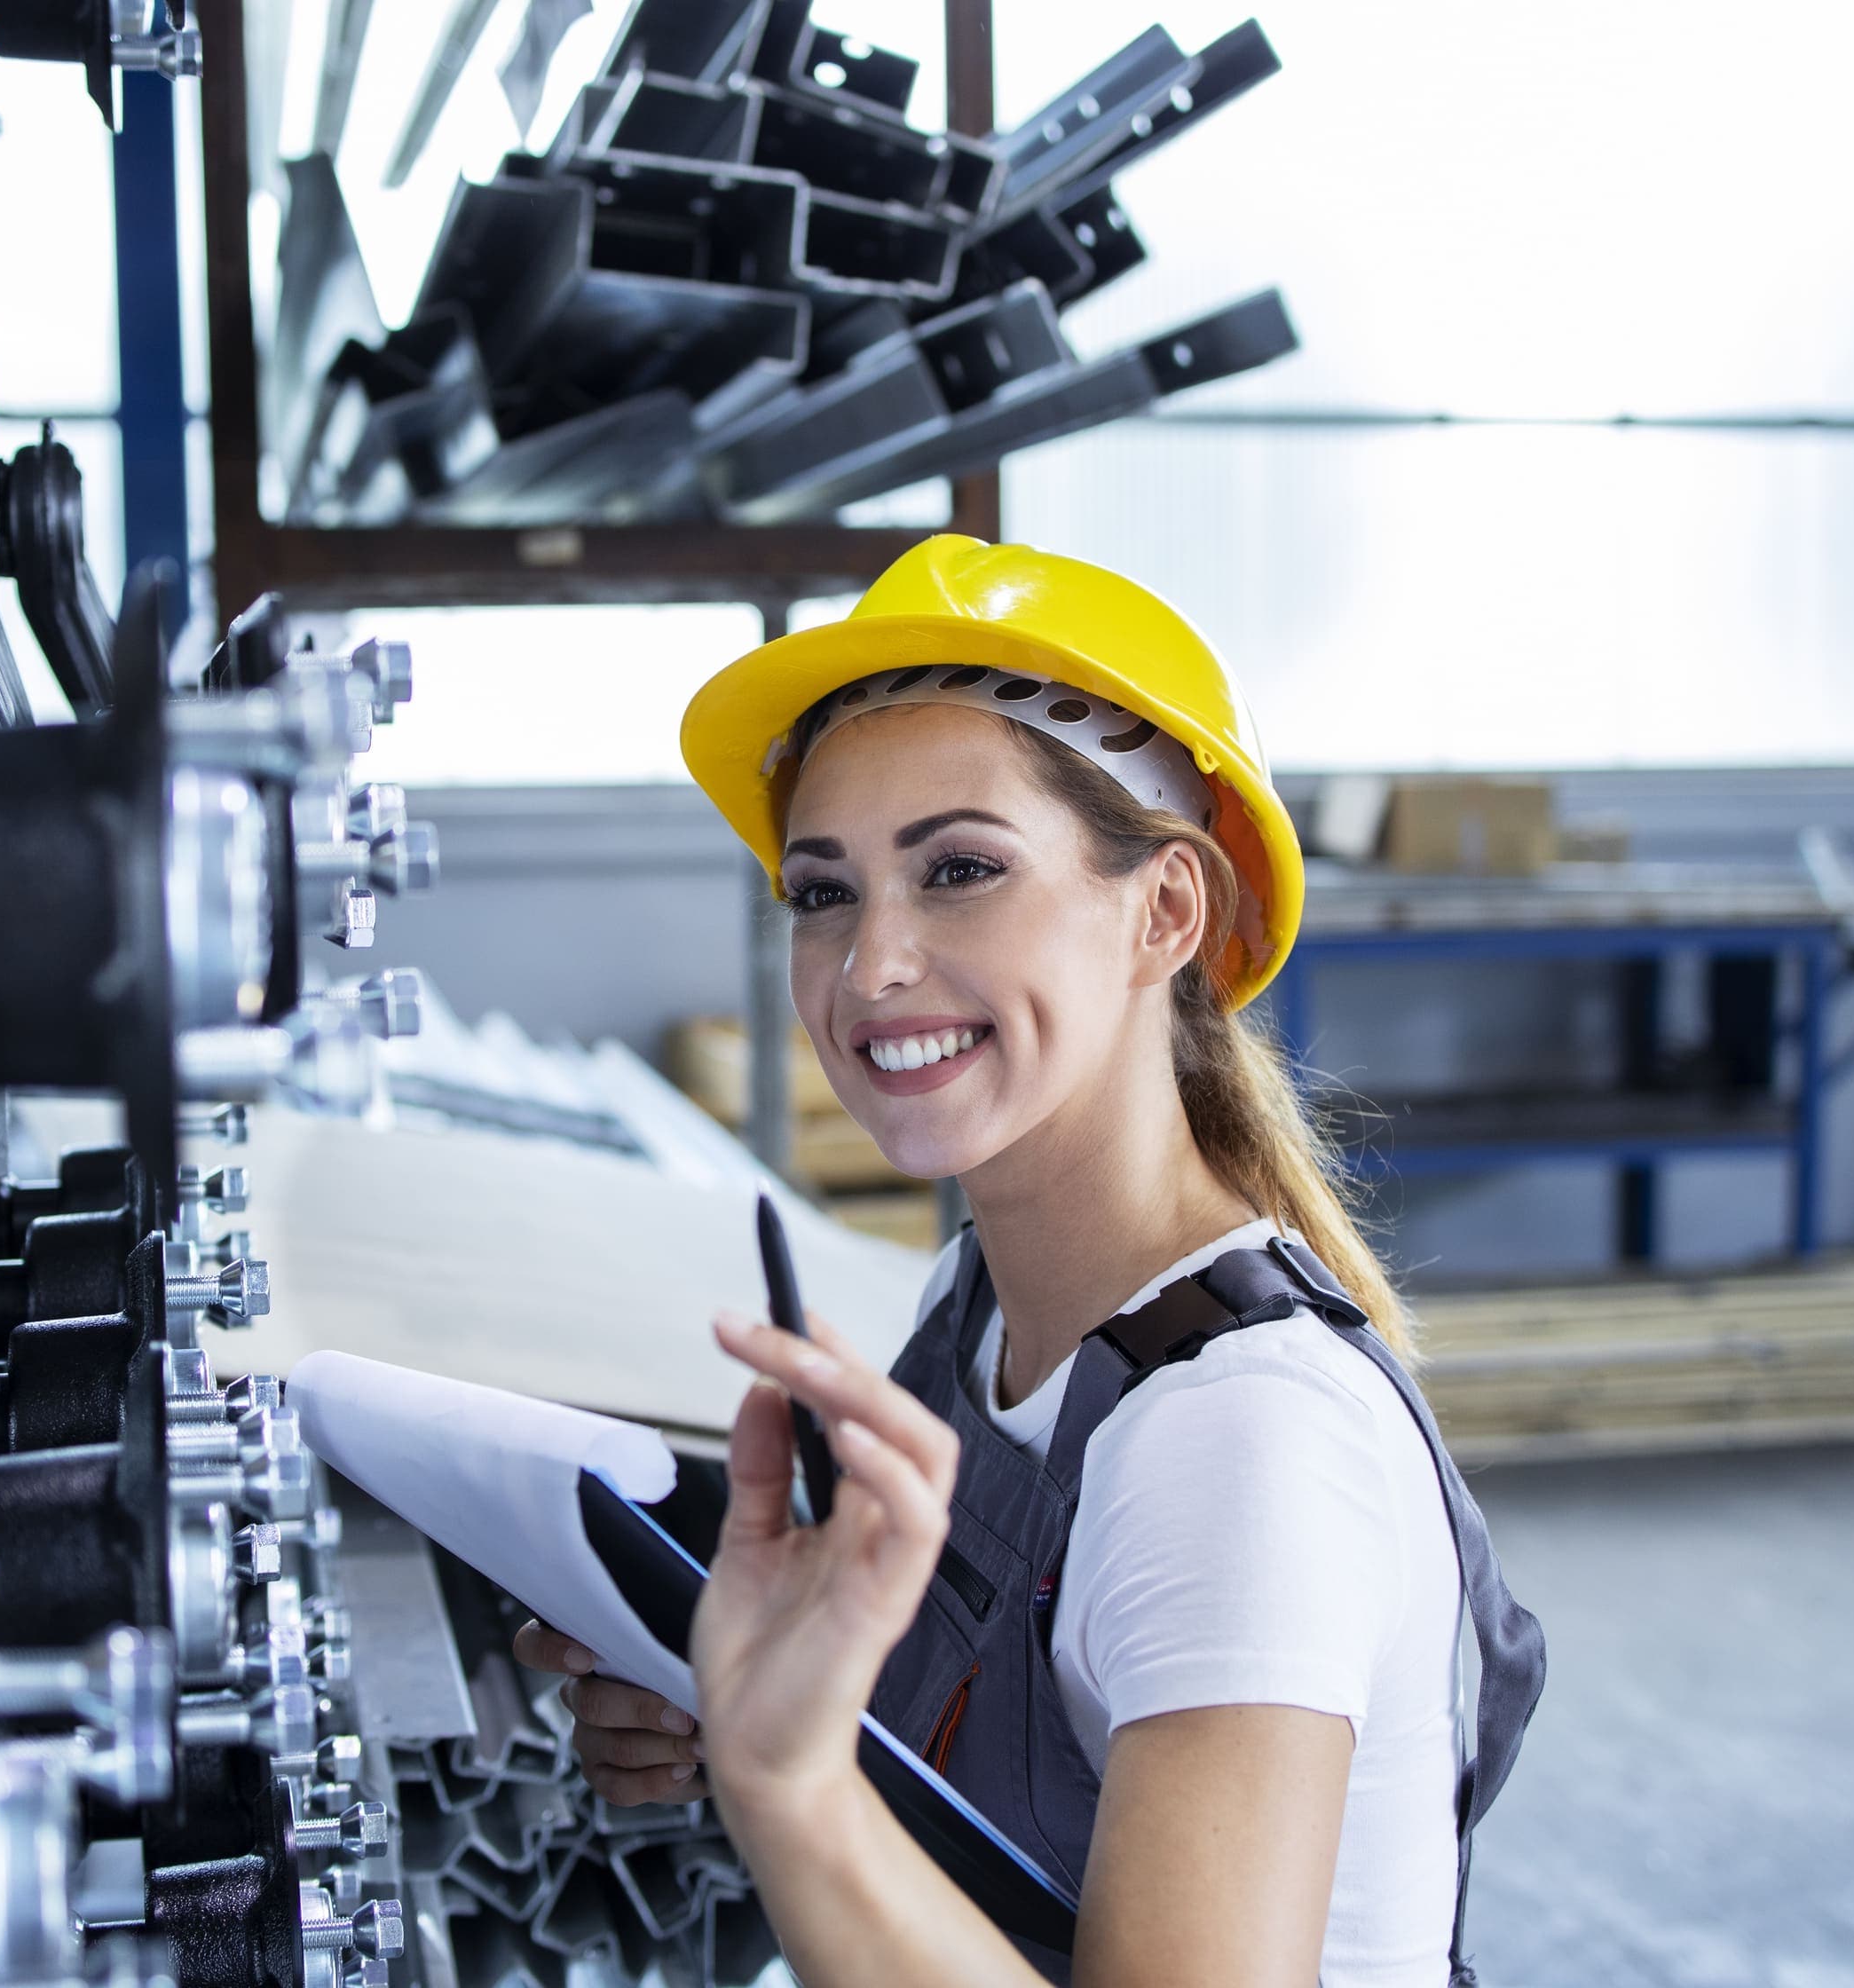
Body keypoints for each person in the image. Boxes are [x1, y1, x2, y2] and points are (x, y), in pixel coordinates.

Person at [513, 537, 1545, 1986]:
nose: (871, 966)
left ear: (1165, 912)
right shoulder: (981, 1305)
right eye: (824, 892)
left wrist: (792, 1784)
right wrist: (736, 1704)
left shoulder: (1233, 1441)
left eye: (960, 871)